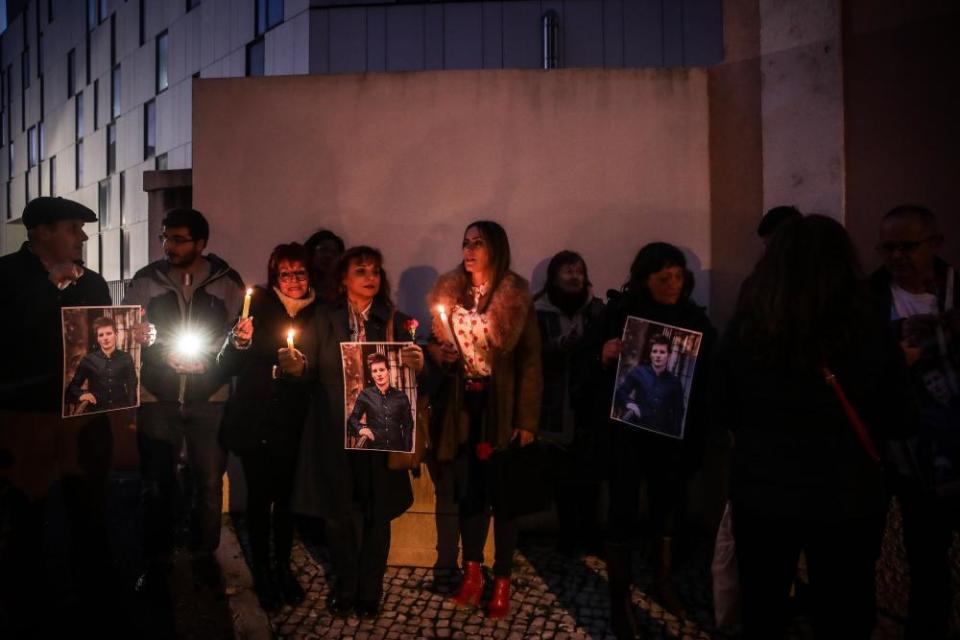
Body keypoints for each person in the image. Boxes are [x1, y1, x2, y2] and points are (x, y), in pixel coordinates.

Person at [714, 215, 913, 639]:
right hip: (846, 494)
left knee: (764, 605)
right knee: (845, 606)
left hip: (764, 490)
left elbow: (724, 407)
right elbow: (898, 416)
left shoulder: (750, 329)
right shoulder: (865, 328)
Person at [288, 245, 424, 619]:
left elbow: (415, 381)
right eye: (361, 271)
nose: (370, 277)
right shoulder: (323, 319)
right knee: (339, 513)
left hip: (381, 438)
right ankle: (346, 585)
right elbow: (307, 370)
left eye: (376, 271)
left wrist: (420, 362)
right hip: (335, 433)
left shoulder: (398, 320)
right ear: (344, 279)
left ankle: (371, 589)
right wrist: (295, 366)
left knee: (377, 514)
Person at [0, 197, 115, 631]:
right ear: (42, 232)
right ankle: (27, 608)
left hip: (82, 416)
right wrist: (49, 287)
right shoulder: (6, 275)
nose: (83, 236)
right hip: (24, 417)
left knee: (89, 511)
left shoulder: (94, 279)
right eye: (73, 227)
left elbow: (106, 334)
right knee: (25, 516)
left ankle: (96, 604)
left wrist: (132, 336)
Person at [122, 207, 246, 591]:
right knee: (156, 481)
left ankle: (204, 556)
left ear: (201, 243)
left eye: (177, 239)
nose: (168, 246)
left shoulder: (228, 283)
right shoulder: (146, 281)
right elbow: (127, 336)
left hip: (209, 398)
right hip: (157, 397)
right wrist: (149, 348)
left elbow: (236, 342)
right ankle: (157, 559)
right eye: (164, 237)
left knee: (209, 481)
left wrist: (212, 371)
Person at [595, 242, 715, 637]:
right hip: (627, 436)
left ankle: (664, 581)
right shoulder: (620, 314)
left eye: (678, 275)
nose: (672, 283)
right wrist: (605, 354)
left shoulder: (694, 318)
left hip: (672, 439)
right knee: (623, 510)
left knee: (667, 506)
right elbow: (590, 369)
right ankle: (619, 596)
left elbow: (712, 375)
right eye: (663, 277)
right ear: (644, 279)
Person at [426, 220, 542, 619]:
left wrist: (526, 420)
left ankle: (503, 579)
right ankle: (472, 573)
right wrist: (440, 355)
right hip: (464, 405)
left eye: (479, 243)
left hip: (501, 405)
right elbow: (438, 346)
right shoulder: (452, 294)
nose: (469, 250)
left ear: (496, 248)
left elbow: (530, 362)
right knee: (470, 491)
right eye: (465, 243)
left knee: (502, 495)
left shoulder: (515, 295)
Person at [868, 204, 959, 639]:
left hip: (948, 449)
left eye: (908, 245)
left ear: (935, 243)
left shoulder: (955, 291)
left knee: (931, 562)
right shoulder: (867, 297)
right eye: (889, 247)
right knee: (883, 553)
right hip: (889, 450)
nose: (898, 256)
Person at [218, 243, 317, 610]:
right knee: (260, 499)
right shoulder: (257, 305)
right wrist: (237, 342)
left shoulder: (318, 313)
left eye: (300, 273)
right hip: (257, 418)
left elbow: (321, 367)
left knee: (287, 501)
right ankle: (262, 570)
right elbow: (225, 362)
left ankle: (283, 568)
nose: (293, 281)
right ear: (275, 276)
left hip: (295, 422)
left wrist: (302, 370)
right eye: (285, 274)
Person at [534, 250, 605, 553]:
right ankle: (568, 536)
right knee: (562, 476)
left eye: (579, 270)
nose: (575, 276)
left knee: (591, 474)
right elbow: (532, 355)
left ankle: (590, 535)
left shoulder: (598, 310)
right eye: (568, 271)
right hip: (555, 403)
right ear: (554, 277)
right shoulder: (538, 312)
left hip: (590, 404)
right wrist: (560, 345)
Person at [614, 333, 685, 437]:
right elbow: (621, 391)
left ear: (669, 355)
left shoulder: (675, 383)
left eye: (662, 352)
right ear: (650, 354)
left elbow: (678, 413)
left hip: (661, 432)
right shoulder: (639, 371)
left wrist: (674, 435)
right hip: (637, 426)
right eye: (654, 351)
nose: (658, 355)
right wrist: (630, 404)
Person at [65, 315, 138, 413]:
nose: (105, 338)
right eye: (101, 335)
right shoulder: (88, 360)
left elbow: (132, 387)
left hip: (121, 409)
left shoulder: (126, 358)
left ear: (116, 334)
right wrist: (81, 395)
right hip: (97, 412)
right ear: (97, 338)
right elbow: (73, 387)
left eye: (109, 333)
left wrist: (131, 410)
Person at [347, 352, 414, 452]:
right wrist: (361, 428)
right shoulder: (365, 395)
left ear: (389, 371)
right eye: (375, 371)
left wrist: (406, 451)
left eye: (382, 370)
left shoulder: (402, 397)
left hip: (397, 450)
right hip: (375, 450)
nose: (378, 374)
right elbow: (353, 419)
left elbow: (408, 426)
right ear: (372, 374)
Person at [304, 229, 346, 304]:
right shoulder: (297, 285)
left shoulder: (343, 290)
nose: (328, 256)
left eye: (334, 252)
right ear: (311, 251)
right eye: (323, 250)